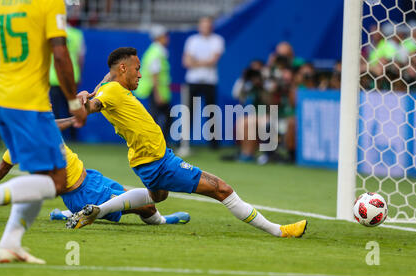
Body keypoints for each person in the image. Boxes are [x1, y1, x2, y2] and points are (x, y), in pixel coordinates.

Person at [69, 47, 307, 239]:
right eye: (137, 69)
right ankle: (279, 231)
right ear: (123, 68)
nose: (140, 75)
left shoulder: (109, 87)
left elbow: (103, 85)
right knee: (221, 189)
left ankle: (98, 210)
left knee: (157, 197)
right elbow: (92, 107)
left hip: (146, 162)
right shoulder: (111, 92)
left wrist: (88, 92)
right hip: (159, 163)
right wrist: (82, 102)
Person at [0, 0, 87, 264]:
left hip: (4, 97)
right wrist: (74, 101)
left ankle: (11, 243)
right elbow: (61, 55)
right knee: (57, 179)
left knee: (41, 175)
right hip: (28, 102)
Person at [0, 118, 190, 227]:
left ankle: (69, 213)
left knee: (127, 194)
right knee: (147, 206)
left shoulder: (36, 129)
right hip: (85, 192)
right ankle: (164, 221)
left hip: (91, 178)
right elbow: (2, 169)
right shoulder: (22, 144)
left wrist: (73, 119)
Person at [182, 16, 225, 150]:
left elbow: (213, 61)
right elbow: (186, 62)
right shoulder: (192, 40)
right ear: (199, 26)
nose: (205, 27)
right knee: (188, 112)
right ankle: (184, 142)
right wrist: (202, 62)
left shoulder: (217, 40)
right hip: (192, 81)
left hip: (209, 81)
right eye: (203, 25)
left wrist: (195, 61)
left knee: (211, 112)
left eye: (208, 25)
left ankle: (213, 143)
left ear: (211, 26)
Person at [135, 25, 172, 141]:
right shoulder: (157, 52)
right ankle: (154, 143)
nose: (167, 38)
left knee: (157, 118)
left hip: (154, 89)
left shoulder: (154, 51)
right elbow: (154, 74)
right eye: (165, 36)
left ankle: (155, 143)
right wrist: (158, 94)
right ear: (158, 37)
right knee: (157, 118)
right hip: (155, 90)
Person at [49, 24, 86, 141]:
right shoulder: (76, 34)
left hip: (54, 77)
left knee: (55, 109)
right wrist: (78, 74)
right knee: (73, 107)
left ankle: (56, 137)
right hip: (71, 76)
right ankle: (74, 137)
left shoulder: (52, 31)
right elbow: (81, 57)